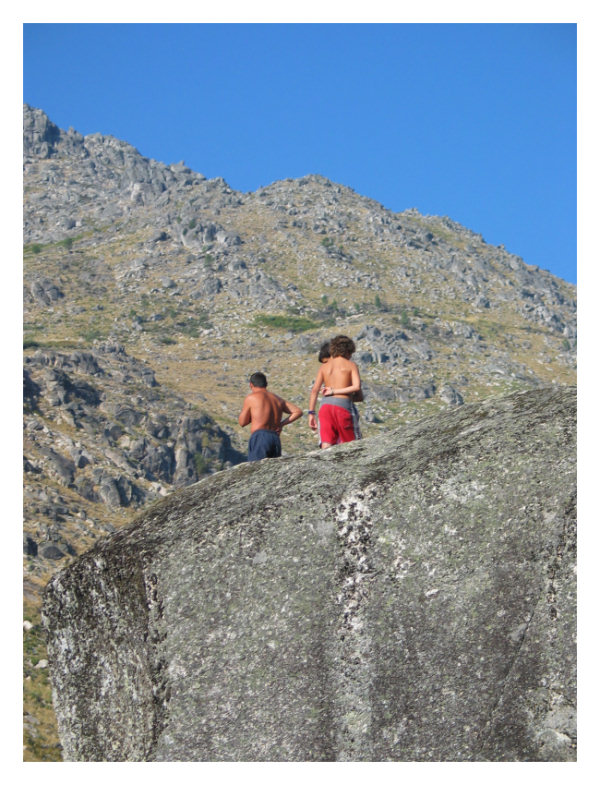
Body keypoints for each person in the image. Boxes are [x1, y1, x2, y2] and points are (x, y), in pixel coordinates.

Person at [308, 335, 362, 449]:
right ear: (348, 351)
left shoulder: (324, 367)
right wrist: (334, 391)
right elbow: (356, 387)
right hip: (343, 406)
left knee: (326, 443)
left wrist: (311, 414)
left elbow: (314, 390)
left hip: (325, 406)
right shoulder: (351, 365)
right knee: (352, 444)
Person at [238, 372, 303, 461]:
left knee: (256, 470)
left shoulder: (251, 398)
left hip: (260, 437)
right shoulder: (277, 399)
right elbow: (298, 411)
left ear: (251, 385)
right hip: (275, 438)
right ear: (266, 384)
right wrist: (281, 424)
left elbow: (242, 422)